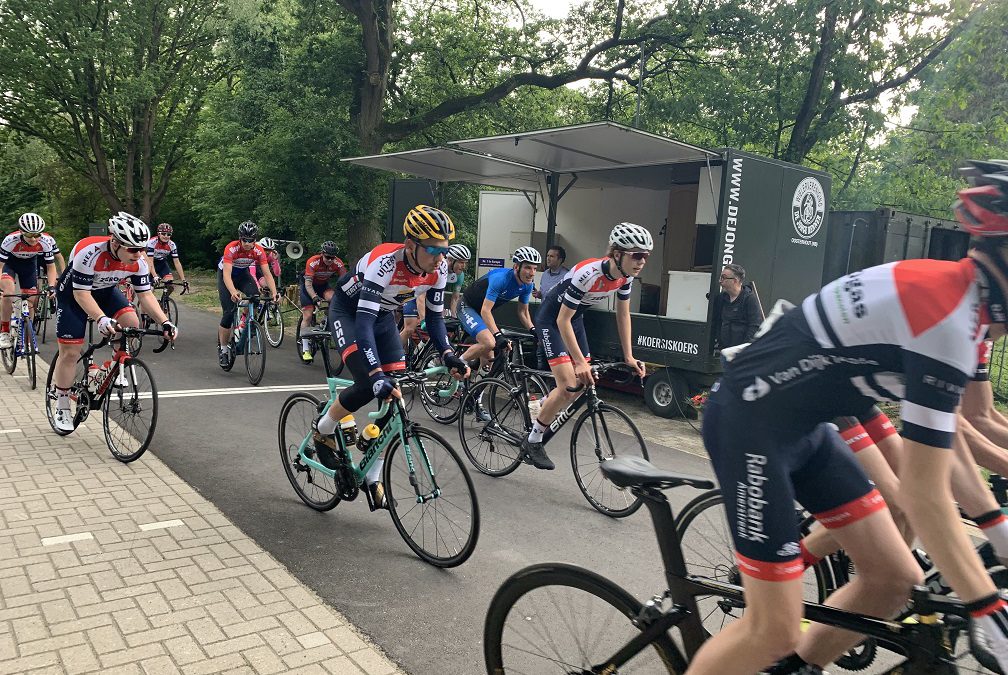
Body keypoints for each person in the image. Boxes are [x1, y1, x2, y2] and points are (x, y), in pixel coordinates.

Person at [686, 159, 1008, 675]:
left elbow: (948, 441)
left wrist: (996, 528)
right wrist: (987, 605)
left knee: (895, 581)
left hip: (810, 425)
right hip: (750, 423)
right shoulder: (949, 314)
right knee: (774, 629)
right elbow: (926, 492)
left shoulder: (966, 313)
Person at [314, 205, 469, 508]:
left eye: (444, 250)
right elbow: (363, 323)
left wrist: (448, 354)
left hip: (383, 317)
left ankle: (373, 477)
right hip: (350, 313)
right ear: (410, 245)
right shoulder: (384, 263)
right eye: (433, 249)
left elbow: (435, 318)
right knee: (367, 383)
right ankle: (324, 429)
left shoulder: (438, 270)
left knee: (393, 391)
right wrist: (374, 373)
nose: (441, 258)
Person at [524, 223, 650, 470]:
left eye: (646, 256)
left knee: (582, 383)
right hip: (552, 320)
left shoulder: (626, 277)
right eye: (637, 255)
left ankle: (542, 404)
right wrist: (580, 362)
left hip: (575, 319)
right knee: (568, 385)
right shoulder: (589, 274)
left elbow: (623, 315)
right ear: (617, 254)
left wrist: (629, 356)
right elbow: (561, 320)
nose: (642, 261)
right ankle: (533, 440)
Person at [51, 213, 178, 432]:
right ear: (116, 243)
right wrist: (101, 318)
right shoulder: (89, 254)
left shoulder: (138, 262)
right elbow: (82, 295)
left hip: (105, 291)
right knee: (70, 352)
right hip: (73, 295)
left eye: (142, 249)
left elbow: (146, 296)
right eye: (133, 249)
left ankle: (112, 367)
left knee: (131, 321)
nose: (138, 254)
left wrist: (165, 322)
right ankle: (62, 403)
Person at [457, 246, 538, 373]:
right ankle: (456, 363)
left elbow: (523, 312)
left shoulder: (528, 285)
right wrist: (498, 335)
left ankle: (478, 386)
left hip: (482, 312)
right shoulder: (500, 279)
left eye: (535, 268)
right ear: (516, 267)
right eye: (528, 267)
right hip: (467, 306)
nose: (532, 273)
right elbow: (485, 310)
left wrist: (534, 331)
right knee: (489, 343)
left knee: (488, 363)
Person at [216, 221, 278, 367]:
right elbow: (226, 275)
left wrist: (275, 293)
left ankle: (245, 325)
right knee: (228, 313)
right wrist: (233, 292)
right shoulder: (231, 248)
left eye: (251, 240)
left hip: (243, 275)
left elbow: (267, 274)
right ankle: (223, 350)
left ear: (255, 240)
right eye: (244, 239)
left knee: (255, 297)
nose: (247, 243)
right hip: (227, 275)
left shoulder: (258, 251)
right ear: (240, 238)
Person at [0, 213, 58, 348]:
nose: (34, 239)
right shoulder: (10, 240)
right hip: (10, 264)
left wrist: (51, 286)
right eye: (30, 235)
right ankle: (4, 331)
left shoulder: (45, 241)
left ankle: (27, 336)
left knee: (31, 300)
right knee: (8, 293)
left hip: (29, 265)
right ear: (21, 232)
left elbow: (51, 267)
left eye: (37, 235)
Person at [398, 243, 470, 350]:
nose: (463, 266)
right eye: (461, 262)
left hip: (432, 298)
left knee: (439, 329)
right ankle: (391, 354)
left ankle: (423, 352)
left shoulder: (459, 275)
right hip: (415, 295)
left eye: (465, 263)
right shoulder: (436, 268)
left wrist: (454, 317)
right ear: (450, 260)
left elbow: (455, 298)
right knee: (410, 328)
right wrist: (423, 320)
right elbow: (421, 296)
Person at [299, 240, 346, 363]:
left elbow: (344, 281)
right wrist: (314, 297)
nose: (330, 260)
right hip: (308, 286)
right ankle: (305, 349)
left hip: (323, 285)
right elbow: (308, 284)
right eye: (327, 257)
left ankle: (325, 323)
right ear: (322, 254)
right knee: (308, 315)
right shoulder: (313, 262)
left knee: (334, 299)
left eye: (332, 258)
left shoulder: (338, 263)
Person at [534, 245, 569, 369]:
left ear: (560, 260)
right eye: (547, 256)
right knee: (541, 350)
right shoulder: (545, 274)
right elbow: (545, 294)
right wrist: (539, 294)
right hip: (543, 317)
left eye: (552, 256)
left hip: (557, 319)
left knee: (556, 351)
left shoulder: (567, 276)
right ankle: (540, 378)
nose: (548, 259)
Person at [711, 263, 761, 349]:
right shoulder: (721, 298)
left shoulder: (749, 299)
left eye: (723, 277)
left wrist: (743, 348)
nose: (720, 281)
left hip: (741, 351)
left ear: (735, 280)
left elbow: (754, 326)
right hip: (723, 349)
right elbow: (716, 322)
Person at [144, 223, 188, 297]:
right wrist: (155, 276)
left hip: (162, 264)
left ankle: (163, 301)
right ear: (158, 234)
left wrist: (183, 280)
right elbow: (150, 261)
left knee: (170, 286)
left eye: (168, 234)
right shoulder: (152, 242)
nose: (166, 236)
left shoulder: (172, 245)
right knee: (150, 290)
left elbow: (177, 262)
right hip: (150, 264)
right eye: (163, 234)